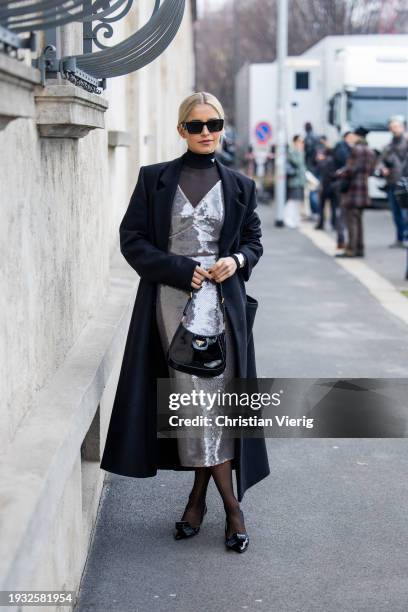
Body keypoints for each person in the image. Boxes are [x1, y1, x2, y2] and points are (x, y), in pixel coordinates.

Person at [100, 91, 270, 554]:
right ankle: (232, 508)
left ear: (222, 127)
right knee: (194, 406)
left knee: (216, 407)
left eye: (213, 124)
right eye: (195, 126)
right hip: (171, 307)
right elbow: (131, 240)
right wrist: (178, 268)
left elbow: (253, 240)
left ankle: (200, 499)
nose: (205, 133)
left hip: (224, 313)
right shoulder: (154, 179)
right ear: (181, 130)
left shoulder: (239, 184)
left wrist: (236, 259)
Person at [335, 127, 376, 258]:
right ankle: (360, 248)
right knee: (358, 220)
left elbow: (351, 170)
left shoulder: (356, 150)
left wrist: (340, 173)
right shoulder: (370, 151)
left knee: (351, 220)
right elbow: (371, 171)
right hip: (363, 188)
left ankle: (351, 249)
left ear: (358, 136)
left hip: (352, 190)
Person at [378, 117, 408, 248]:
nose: (394, 130)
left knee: (404, 213)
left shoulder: (406, 144)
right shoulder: (388, 146)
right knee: (396, 213)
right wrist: (382, 168)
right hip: (392, 183)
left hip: (405, 183)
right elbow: (379, 161)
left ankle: (405, 237)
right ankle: (400, 238)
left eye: (396, 127)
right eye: (392, 127)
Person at [284, 135, 306, 228]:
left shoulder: (300, 152)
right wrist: (299, 151)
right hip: (294, 181)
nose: (302, 144)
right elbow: (298, 162)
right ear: (295, 142)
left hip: (300, 181)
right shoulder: (293, 152)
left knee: (297, 202)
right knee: (292, 201)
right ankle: (288, 219)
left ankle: (295, 220)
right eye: (300, 141)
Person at [314, 146, 337, 231]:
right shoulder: (334, 161)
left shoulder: (322, 163)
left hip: (324, 187)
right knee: (333, 207)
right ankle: (334, 224)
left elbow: (317, 173)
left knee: (322, 207)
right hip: (333, 187)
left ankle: (321, 224)